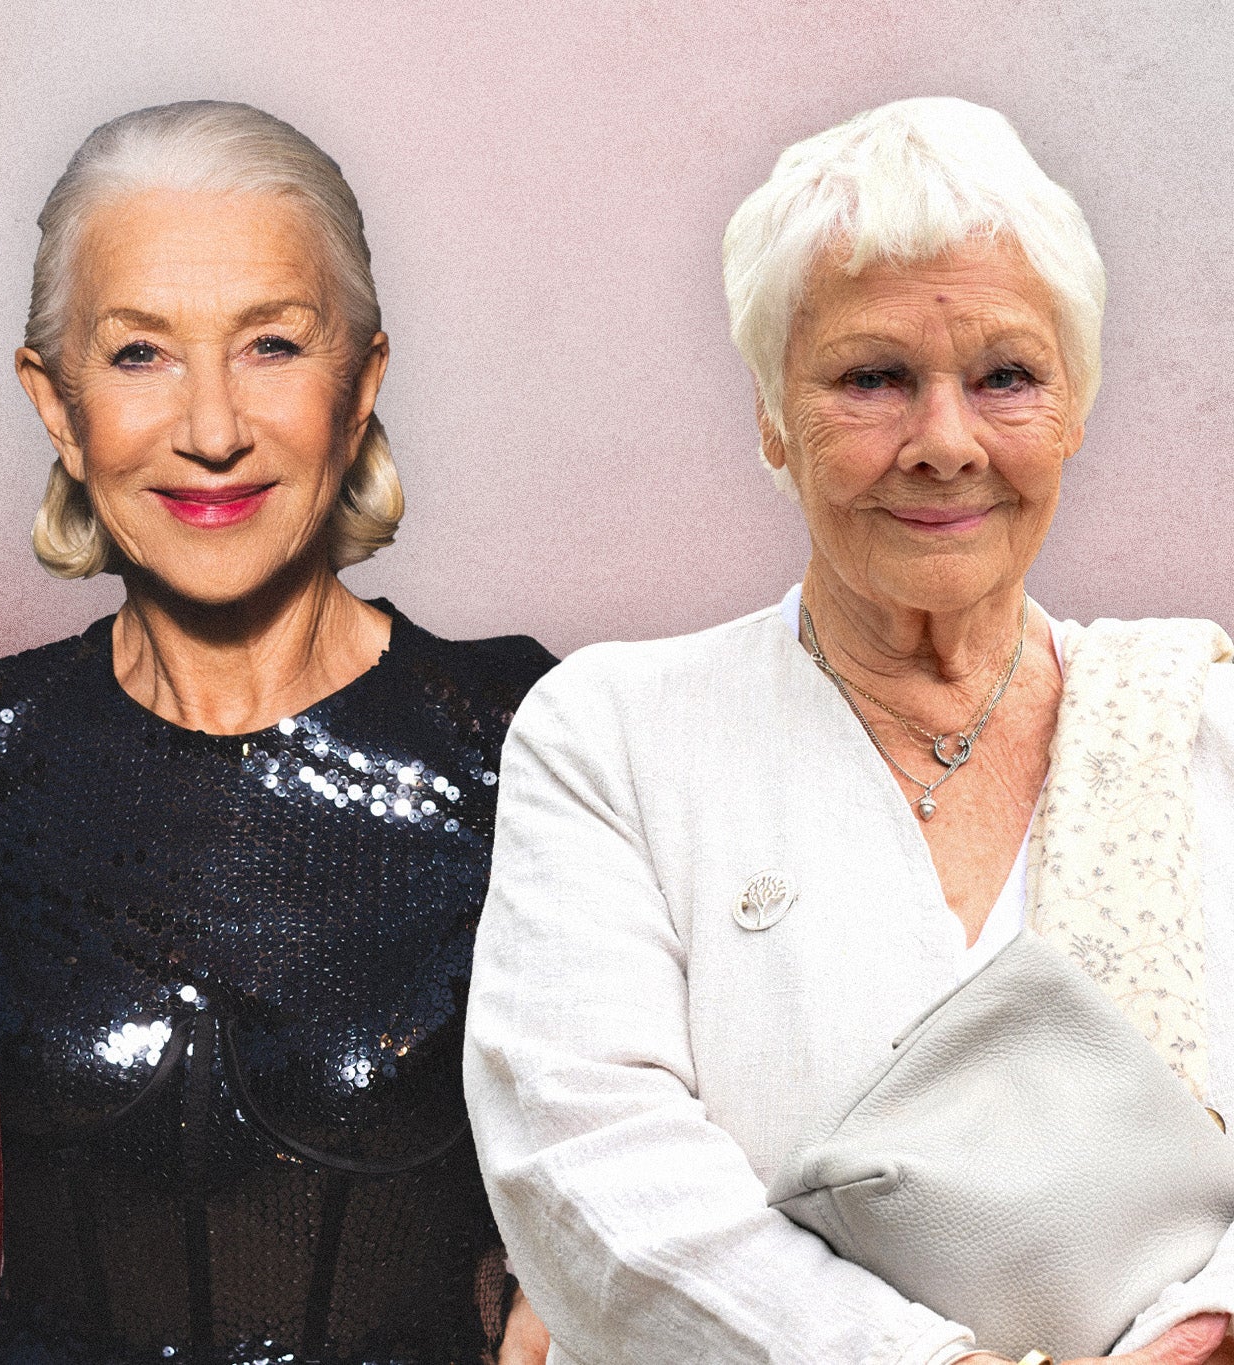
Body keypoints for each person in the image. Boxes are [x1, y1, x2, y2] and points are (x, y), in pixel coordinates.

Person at [464, 96, 1234, 1365]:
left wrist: (1200, 1331)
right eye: (872, 378)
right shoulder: (613, 740)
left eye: (1004, 376)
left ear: (1075, 408)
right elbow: (587, 1173)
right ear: (772, 415)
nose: (942, 442)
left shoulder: (1196, 726)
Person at [0, 101, 556, 1364]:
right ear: (55, 404)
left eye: (270, 344)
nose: (210, 429)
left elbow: (665, 1179)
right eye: (138, 354)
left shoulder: (523, 745)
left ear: (360, 383)